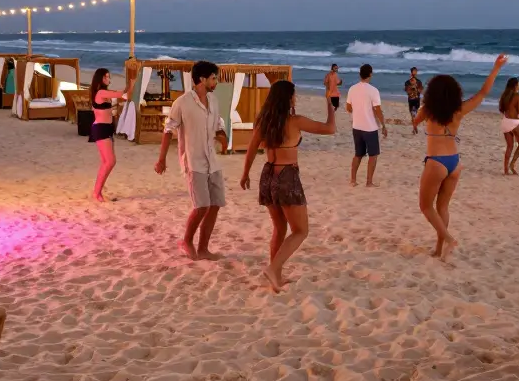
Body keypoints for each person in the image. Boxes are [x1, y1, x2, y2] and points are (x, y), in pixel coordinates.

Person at [239, 81, 336, 293]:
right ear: (287, 98)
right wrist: (329, 103)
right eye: (294, 95)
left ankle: (276, 276)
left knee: (280, 228)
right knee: (301, 231)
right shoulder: (295, 121)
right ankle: (273, 269)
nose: (296, 98)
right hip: (287, 176)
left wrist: (245, 174)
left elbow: (252, 148)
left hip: (267, 175)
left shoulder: (264, 121)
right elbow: (330, 128)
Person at [414, 54, 509, 260]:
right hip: (454, 162)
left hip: (436, 162)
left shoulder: (427, 110)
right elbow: (483, 92)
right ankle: (439, 249)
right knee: (442, 207)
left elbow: (415, 121)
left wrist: (423, 102)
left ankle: (448, 239)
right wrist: (496, 68)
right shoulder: (460, 110)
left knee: (426, 207)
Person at [155, 61, 227, 260]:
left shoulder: (214, 100)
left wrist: (222, 136)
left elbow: (218, 123)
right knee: (201, 206)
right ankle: (186, 241)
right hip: (193, 162)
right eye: (213, 78)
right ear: (202, 79)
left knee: (215, 205)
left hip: (213, 161)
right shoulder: (182, 102)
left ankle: (203, 248)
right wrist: (161, 159)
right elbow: (168, 130)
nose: (216, 82)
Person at [346, 64, 386, 187]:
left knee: (358, 154)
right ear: (370, 74)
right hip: (370, 127)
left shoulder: (352, 89)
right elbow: (378, 109)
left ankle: (353, 180)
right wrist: (383, 125)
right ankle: (369, 182)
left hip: (357, 126)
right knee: (373, 155)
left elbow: (348, 107)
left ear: (360, 74)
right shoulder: (373, 90)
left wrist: (359, 111)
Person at [88, 68, 125, 201]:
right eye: (107, 77)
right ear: (101, 78)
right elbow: (120, 94)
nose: (109, 79)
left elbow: (121, 95)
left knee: (107, 162)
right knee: (109, 161)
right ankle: (97, 192)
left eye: (109, 77)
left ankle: (97, 192)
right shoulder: (101, 92)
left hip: (107, 128)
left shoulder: (103, 93)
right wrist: (132, 84)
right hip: (101, 128)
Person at [499, 77, 519, 175]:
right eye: (518, 83)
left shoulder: (504, 95)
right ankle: (512, 164)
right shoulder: (517, 96)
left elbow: (501, 109)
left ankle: (506, 170)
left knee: (509, 146)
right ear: (515, 85)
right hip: (514, 123)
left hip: (505, 121)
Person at [405, 68, 423, 134]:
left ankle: (414, 127)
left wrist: (416, 87)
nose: (415, 72)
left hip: (416, 99)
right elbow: (407, 91)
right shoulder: (408, 82)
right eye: (414, 71)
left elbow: (420, 90)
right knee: (413, 114)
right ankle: (414, 127)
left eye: (416, 71)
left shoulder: (419, 81)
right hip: (411, 100)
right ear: (411, 72)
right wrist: (412, 86)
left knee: (414, 114)